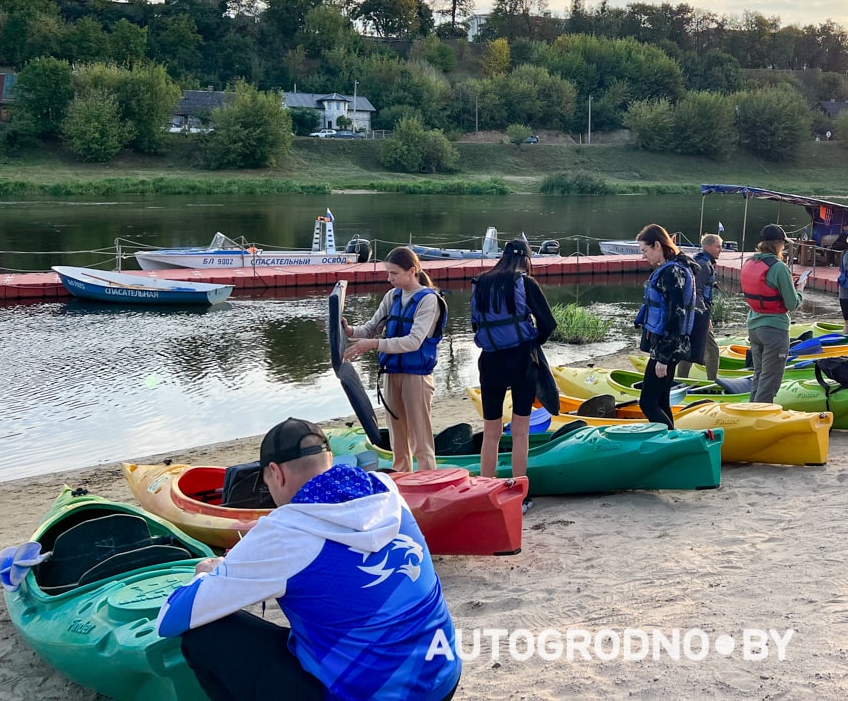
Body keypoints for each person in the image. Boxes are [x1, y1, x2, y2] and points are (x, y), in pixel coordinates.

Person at [157, 418, 461, 701]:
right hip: (443, 679)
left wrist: (205, 572)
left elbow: (171, 618)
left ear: (276, 473)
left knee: (203, 638)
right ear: (328, 461)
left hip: (374, 694)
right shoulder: (385, 491)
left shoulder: (284, 533)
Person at [343, 247, 447, 472]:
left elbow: (413, 341)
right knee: (398, 441)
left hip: (416, 376)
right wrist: (350, 330)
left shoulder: (428, 300)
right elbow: (372, 328)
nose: (389, 279)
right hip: (392, 373)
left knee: (421, 440)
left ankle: (428, 481)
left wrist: (374, 345)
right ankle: (403, 482)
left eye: (394, 273)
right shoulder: (392, 296)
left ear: (412, 271)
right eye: (387, 273)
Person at [471, 239, 556, 482]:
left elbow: (475, 324)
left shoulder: (480, 283)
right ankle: (518, 491)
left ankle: (487, 486)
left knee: (491, 431)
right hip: (521, 360)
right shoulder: (525, 282)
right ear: (526, 260)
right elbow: (548, 323)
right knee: (520, 432)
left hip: (490, 361)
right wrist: (534, 341)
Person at [634, 223, 699, 427]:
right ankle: (672, 442)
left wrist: (663, 357)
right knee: (661, 400)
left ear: (657, 245)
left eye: (645, 251)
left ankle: (672, 441)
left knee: (647, 402)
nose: (644, 256)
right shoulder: (672, 268)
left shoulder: (672, 273)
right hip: (667, 346)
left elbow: (675, 316)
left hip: (668, 347)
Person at [739, 223, 803, 404]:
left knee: (759, 375)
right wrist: (800, 291)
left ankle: (751, 411)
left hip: (754, 327)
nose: (784, 247)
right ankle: (760, 418)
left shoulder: (750, 262)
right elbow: (792, 303)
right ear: (778, 244)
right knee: (771, 378)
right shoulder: (779, 267)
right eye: (783, 244)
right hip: (774, 329)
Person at [677, 233, 722, 383]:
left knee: (689, 348)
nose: (720, 250)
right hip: (697, 313)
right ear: (708, 247)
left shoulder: (700, 261)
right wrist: (705, 317)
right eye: (718, 246)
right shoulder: (704, 265)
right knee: (712, 350)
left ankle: (680, 380)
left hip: (690, 313)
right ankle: (713, 381)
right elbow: (698, 292)